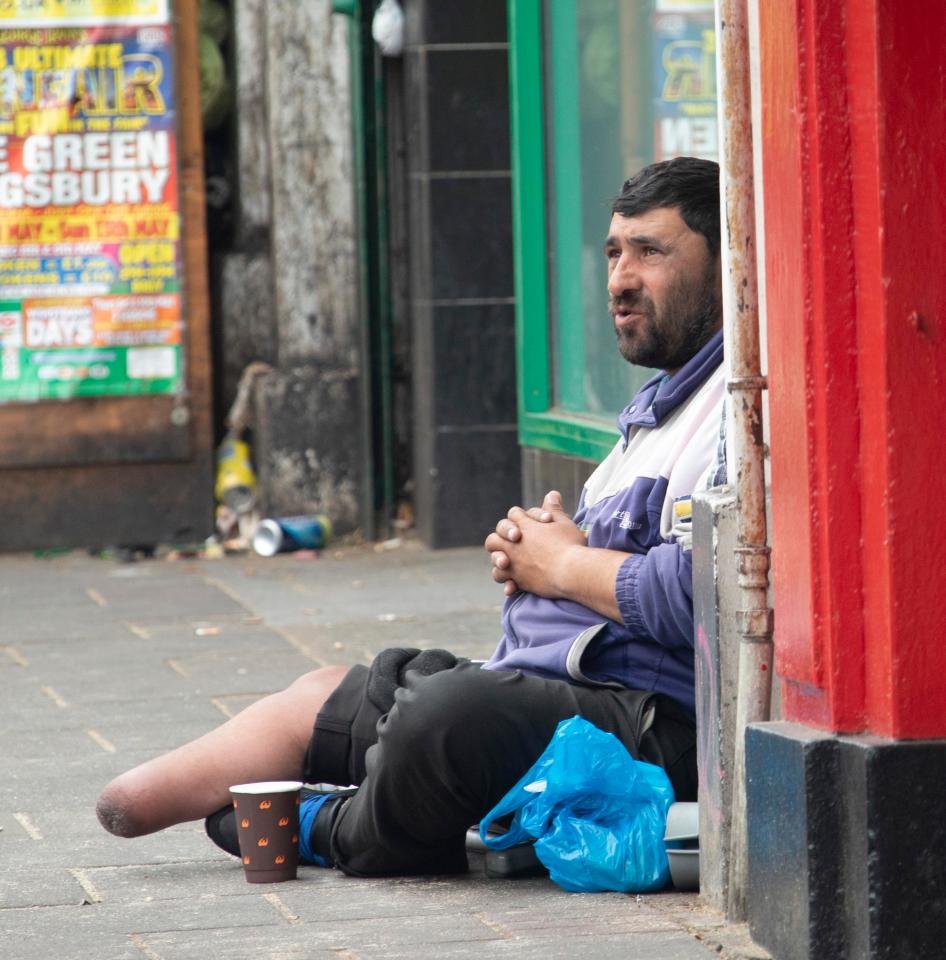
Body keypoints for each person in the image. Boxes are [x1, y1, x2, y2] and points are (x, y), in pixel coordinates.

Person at [96, 156, 726, 878]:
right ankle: (352, 786)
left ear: (727, 263)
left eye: (651, 252)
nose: (619, 278)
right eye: (614, 252)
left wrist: (561, 565)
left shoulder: (738, 407)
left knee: (444, 715)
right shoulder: (651, 416)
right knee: (333, 689)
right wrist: (542, 556)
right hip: (545, 683)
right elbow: (600, 575)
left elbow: (705, 597)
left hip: (656, 728)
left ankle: (332, 825)